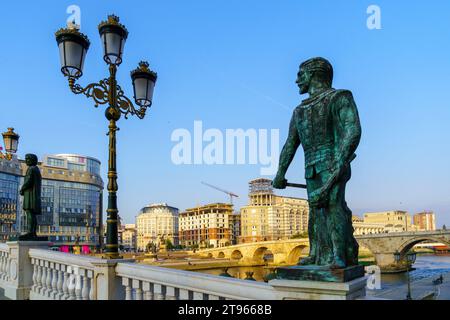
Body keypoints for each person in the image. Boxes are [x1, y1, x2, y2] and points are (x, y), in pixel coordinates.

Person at [273, 57, 362, 269]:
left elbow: (352, 129)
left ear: (313, 74)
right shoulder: (299, 111)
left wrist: (341, 158)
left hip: (334, 162)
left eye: (300, 74)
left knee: (333, 206)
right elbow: (290, 145)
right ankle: (316, 254)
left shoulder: (339, 97)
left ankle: (338, 256)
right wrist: (280, 173)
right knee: (315, 211)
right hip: (311, 167)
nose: (296, 80)